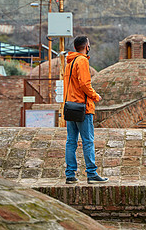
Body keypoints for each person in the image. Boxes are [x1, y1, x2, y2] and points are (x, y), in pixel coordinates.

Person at [63, 35, 108, 184]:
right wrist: (95, 96)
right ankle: (91, 173)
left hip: (70, 106)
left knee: (71, 142)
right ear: (86, 46)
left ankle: (70, 174)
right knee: (88, 141)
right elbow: (84, 84)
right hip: (82, 107)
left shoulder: (69, 62)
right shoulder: (82, 61)